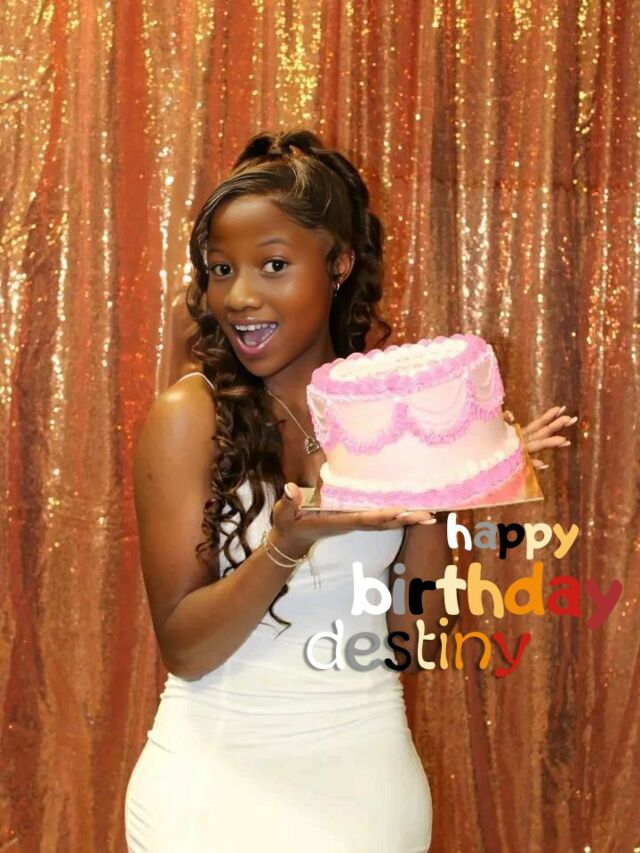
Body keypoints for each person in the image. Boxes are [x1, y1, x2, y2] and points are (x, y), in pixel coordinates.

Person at [124, 129, 576, 852]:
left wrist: (447, 485)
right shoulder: (190, 415)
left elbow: (412, 643)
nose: (240, 296)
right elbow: (185, 647)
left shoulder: (389, 410)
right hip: (211, 791)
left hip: (367, 789)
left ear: (337, 263)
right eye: (221, 270)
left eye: (273, 265)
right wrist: (285, 545)